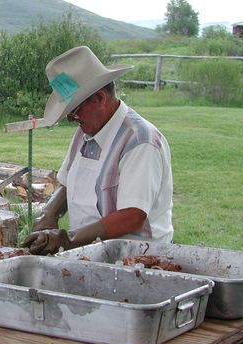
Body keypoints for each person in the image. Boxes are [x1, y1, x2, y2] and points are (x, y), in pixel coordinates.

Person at [22, 46, 173, 255]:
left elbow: (132, 215)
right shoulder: (87, 129)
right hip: (92, 255)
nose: (70, 118)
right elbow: (67, 184)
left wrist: (68, 238)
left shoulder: (140, 141)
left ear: (100, 99)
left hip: (138, 262)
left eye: (74, 110)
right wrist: (49, 213)